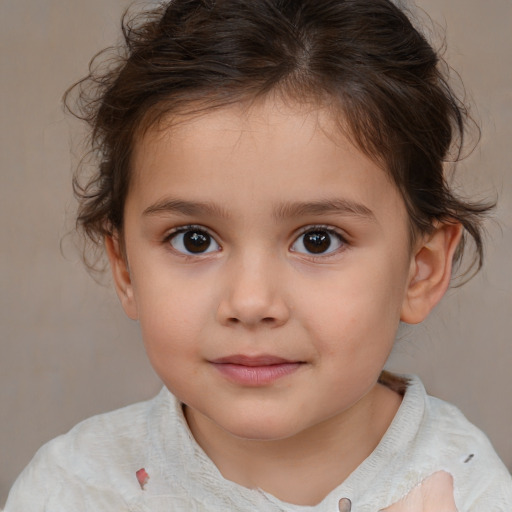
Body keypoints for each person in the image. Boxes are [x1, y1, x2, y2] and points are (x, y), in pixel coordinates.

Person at [5, 0, 512, 510]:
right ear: (125, 269)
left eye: (318, 240)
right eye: (194, 239)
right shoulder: (72, 490)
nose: (250, 302)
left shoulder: (467, 490)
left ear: (419, 272)